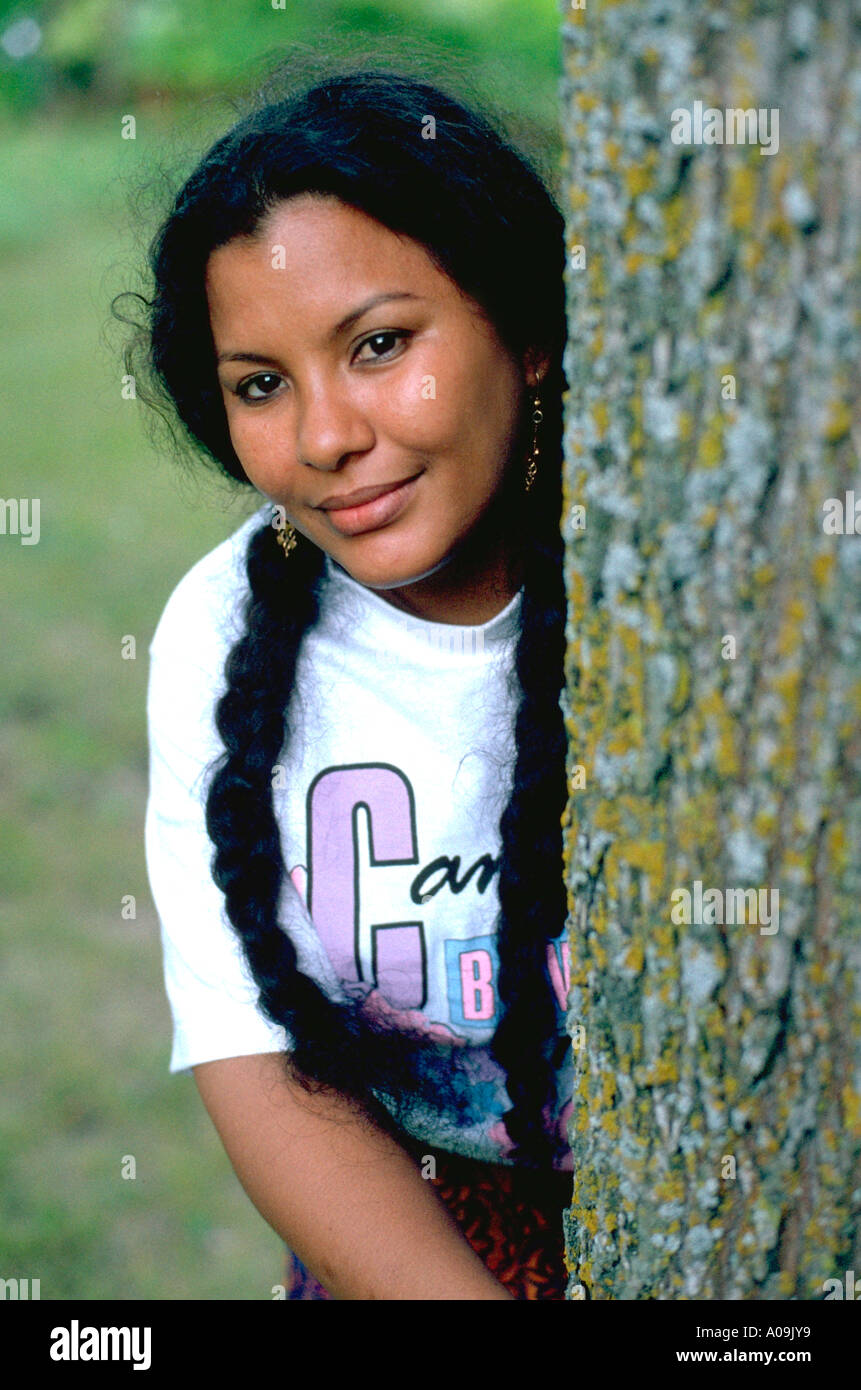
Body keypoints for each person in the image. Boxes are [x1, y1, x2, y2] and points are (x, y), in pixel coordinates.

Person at [122, 55, 574, 1300]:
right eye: (261, 385)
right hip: (414, 1245)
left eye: (378, 344)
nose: (325, 435)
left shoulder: (667, 580)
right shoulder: (221, 630)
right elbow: (259, 1062)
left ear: (525, 331)